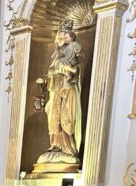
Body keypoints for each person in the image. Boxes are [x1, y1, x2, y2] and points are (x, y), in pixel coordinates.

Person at [36, 20, 82, 167]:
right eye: (60, 37)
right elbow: (51, 71)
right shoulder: (57, 57)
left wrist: (69, 73)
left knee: (66, 117)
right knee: (52, 116)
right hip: (55, 91)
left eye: (64, 37)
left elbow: (77, 70)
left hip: (68, 90)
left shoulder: (73, 53)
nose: (61, 39)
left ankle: (67, 148)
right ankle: (55, 145)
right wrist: (45, 79)